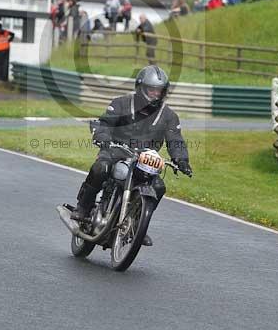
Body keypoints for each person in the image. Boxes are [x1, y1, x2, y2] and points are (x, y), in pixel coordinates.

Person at [69, 65, 193, 247]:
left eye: (159, 91)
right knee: (101, 168)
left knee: (158, 186)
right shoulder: (122, 103)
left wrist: (181, 160)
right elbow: (104, 123)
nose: (155, 95)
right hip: (115, 150)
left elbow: (175, 139)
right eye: (151, 90)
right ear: (141, 88)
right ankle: (84, 208)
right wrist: (103, 137)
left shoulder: (169, 116)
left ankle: (138, 224)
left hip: (144, 159)